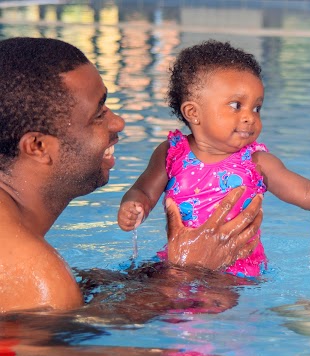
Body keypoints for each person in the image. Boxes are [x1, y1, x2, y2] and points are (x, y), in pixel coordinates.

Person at [0, 37, 264, 314]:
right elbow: (69, 354)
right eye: (98, 114)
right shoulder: (40, 280)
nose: (118, 122)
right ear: (38, 147)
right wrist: (188, 272)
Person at [117, 40, 310, 277]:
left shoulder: (256, 162)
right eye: (235, 105)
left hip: (237, 271)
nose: (249, 117)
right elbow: (144, 188)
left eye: (257, 108)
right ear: (193, 113)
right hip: (180, 258)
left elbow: (306, 191)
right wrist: (135, 205)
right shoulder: (171, 153)